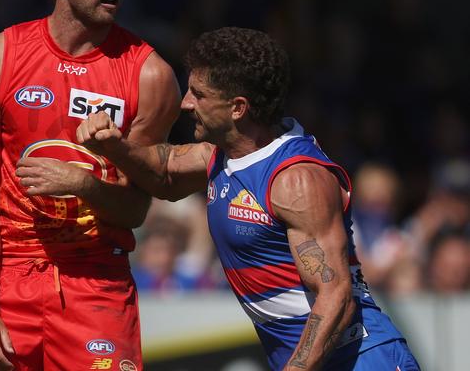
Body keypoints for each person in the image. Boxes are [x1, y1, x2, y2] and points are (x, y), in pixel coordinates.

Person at [72, 28, 420, 370]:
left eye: (199, 94)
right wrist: (112, 145)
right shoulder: (219, 156)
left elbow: (336, 296)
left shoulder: (296, 180)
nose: (186, 103)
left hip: (363, 360)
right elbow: (164, 172)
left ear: (238, 108)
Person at [0, 0, 180, 371]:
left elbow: (135, 208)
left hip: (96, 285)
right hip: (10, 279)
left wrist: (80, 182)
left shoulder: (151, 76)